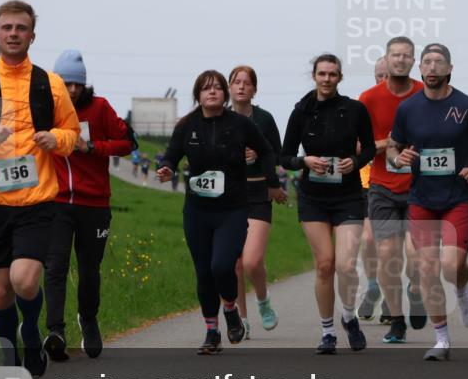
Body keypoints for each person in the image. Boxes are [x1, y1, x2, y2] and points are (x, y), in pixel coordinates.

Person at [0, 0, 80, 377]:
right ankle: (10, 352)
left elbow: (72, 133)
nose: (13, 34)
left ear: (32, 35)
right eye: (6, 28)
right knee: (2, 291)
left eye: (20, 28)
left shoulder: (48, 83)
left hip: (37, 202)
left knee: (24, 280)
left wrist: (56, 139)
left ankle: (32, 332)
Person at [156, 70, 276, 354]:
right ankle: (212, 332)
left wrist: (271, 182)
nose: (212, 92)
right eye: (206, 88)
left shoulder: (240, 124)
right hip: (197, 211)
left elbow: (267, 151)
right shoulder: (186, 125)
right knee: (203, 272)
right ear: (197, 94)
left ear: (224, 94)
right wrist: (167, 168)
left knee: (222, 266)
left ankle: (231, 308)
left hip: (232, 210)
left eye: (217, 88)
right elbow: (172, 155)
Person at [386, 43, 468, 361]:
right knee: (427, 267)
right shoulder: (408, 109)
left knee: (451, 266)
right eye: (427, 62)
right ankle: (442, 339)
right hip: (422, 199)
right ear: (421, 69)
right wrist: (398, 157)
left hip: (457, 197)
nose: (431, 67)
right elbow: (393, 147)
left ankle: (462, 289)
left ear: (449, 69)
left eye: (438, 62)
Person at [280, 54, 375, 354]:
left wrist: (355, 161)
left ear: (340, 78)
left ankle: (348, 316)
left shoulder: (355, 110)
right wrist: (303, 161)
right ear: (314, 76)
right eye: (322, 74)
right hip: (313, 197)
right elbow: (284, 156)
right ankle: (327, 332)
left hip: (347, 195)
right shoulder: (301, 112)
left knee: (346, 266)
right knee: (324, 265)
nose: (326, 79)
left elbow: (370, 147)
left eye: (332, 74)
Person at [42, 50, 132, 362]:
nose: (71, 90)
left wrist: (93, 147)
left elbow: (128, 142)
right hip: (55, 203)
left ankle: (89, 319)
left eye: (77, 84)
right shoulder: (45, 108)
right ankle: (55, 331)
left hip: (94, 204)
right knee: (55, 266)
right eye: (65, 84)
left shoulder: (100, 108)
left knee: (89, 270)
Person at [358, 37, 425, 344]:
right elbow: (359, 146)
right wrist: (390, 143)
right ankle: (396, 320)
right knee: (387, 255)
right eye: (394, 56)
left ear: (414, 61)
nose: (399, 61)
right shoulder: (368, 99)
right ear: (386, 58)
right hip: (382, 186)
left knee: (415, 257)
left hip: (418, 186)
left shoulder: (425, 94)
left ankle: (415, 289)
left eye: (405, 55)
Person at [228, 65, 285, 338]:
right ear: (229, 87)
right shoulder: (220, 119)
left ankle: (262, 301)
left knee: (251, 262)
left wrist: (260, 160)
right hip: (229, 196)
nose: (241, 87)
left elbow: (275, 154)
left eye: (246, 83)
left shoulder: (264, 119)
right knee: (234, 263)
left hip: (258, 194)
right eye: (236, 82)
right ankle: (241, 319)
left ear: (254, 89)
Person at [357, 56, 388, 326]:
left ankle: (392, 294)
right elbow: (355, 145)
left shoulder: (412, 103)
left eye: (389, 75)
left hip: (405, 184)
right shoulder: (365, 104)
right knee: (368, 240)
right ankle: (372, 285)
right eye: (380, 75)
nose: (384, 80)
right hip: (369, 182)